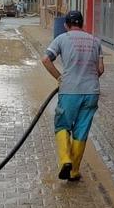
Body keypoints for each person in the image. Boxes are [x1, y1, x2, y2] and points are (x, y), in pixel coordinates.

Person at [41, 10, 104, 181]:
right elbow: (100, 70)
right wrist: (88, 79)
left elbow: (46, 59)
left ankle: (65, 160)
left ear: (65, 25)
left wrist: (60, 78)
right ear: (82, 24)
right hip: (91, 92)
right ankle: (74, 171)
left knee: (62, 125)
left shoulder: (62, 38)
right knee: (81, 131)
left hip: (69, 91)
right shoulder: (95, 41)